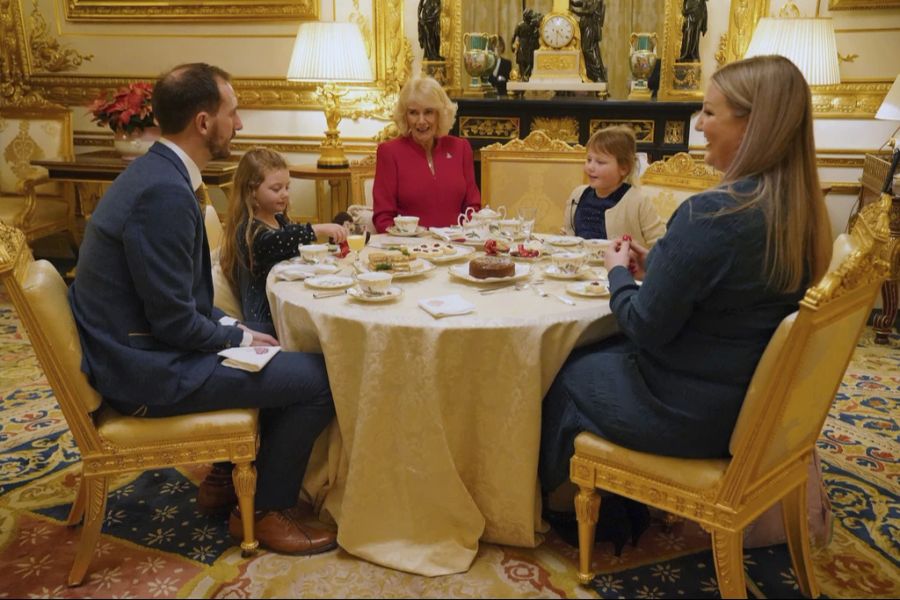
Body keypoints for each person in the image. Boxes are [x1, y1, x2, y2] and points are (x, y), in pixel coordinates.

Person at [68, 63, 340, 556]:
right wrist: (237, 338)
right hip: (145, 372)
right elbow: (174, 321)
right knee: (318, 379)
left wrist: (238, 329)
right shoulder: (164, 193)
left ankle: (233, 481)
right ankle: (264, 509)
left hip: (141, 349)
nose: (238, 125)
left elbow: (183, 302)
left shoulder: (157, 173)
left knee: (281, 344)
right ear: (202, 122)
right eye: (232, 113)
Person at [539, 55, 832, 491]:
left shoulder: (713, 213)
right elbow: (733, 289)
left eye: (710, 112)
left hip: (684, 412)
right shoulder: (800, 209)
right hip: (745, 408)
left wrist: (618, 272)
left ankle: (565, 504)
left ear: (752, 125)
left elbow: (642, 325)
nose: (697, 124)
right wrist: (657, 262)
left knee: (559, 366)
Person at [218, 148, 346, 324]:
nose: (285, 194)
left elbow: (293, 243)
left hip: (287, 303)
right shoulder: (249, 230)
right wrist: (318, 229)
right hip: (266, 319)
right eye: (276, 189)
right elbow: (276, 242)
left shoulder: (279, 219)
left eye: (287, 187)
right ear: (251, 191)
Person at [372, 76, 481, 232]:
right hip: (411, 249)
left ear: (440, 114)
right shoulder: (389, 152)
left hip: (457, 246)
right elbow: (383, 218)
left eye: (428, 112)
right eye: (413, 113)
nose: (421, 121)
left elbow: (473, 206)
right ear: (405, 116)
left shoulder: (460, 148)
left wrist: (465, 236)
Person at [562, 125, 664, 247]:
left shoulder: (638, 201)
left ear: (624, 168)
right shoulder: (578, 194)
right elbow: (570, 234)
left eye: (600, 162)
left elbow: (661, 247)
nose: (590, 167)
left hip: (621, 265)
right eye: (589, 160)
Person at [571, 0, 607, 82]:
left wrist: (572, 9)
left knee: (587, 49)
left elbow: (588, 11)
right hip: (586, 25)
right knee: (590, 50)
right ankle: (592, 74)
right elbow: (581, 3)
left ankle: (597, 74)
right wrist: (571, 2)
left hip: (591, 26)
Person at [511, 8, 541, 81]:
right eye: (529, 15)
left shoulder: (533, 25)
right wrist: (512, 46)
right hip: (522, 46)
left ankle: (527, 77)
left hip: (530, 46)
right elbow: (514, 36)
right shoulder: (520, 25)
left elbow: (537, 35)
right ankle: (523, 77)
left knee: (530, 62)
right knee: (522, 62)